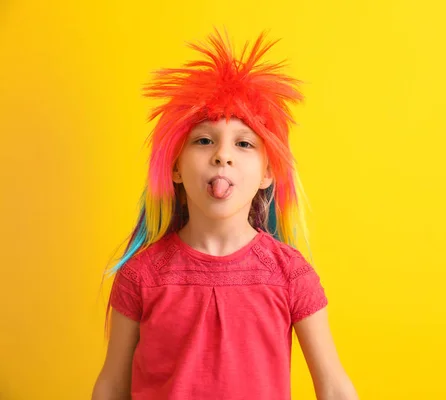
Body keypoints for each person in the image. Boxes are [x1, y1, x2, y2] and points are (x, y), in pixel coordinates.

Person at [92, 29, 358, 400]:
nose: (223, 155)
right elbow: (113, 385)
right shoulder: (141, 276)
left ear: (268, 174)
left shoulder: (291, 274)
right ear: (176, 168)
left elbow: (333, 386)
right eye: (204, 140)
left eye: (244, 143)